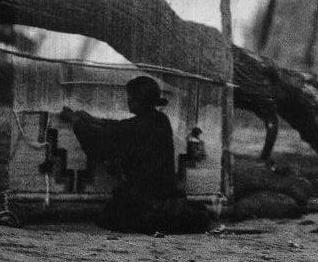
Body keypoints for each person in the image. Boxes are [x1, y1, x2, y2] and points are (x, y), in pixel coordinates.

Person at [59, 76, 209, 234]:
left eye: (131, 97)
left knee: (110, 217)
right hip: (167, 197)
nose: (128, 101)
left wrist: (76, 121)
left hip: (145, 200)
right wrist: (94, 119)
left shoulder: (139, 126)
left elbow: (105, 137)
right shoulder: (160, 120)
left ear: (141, 100)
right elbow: (120, 127)